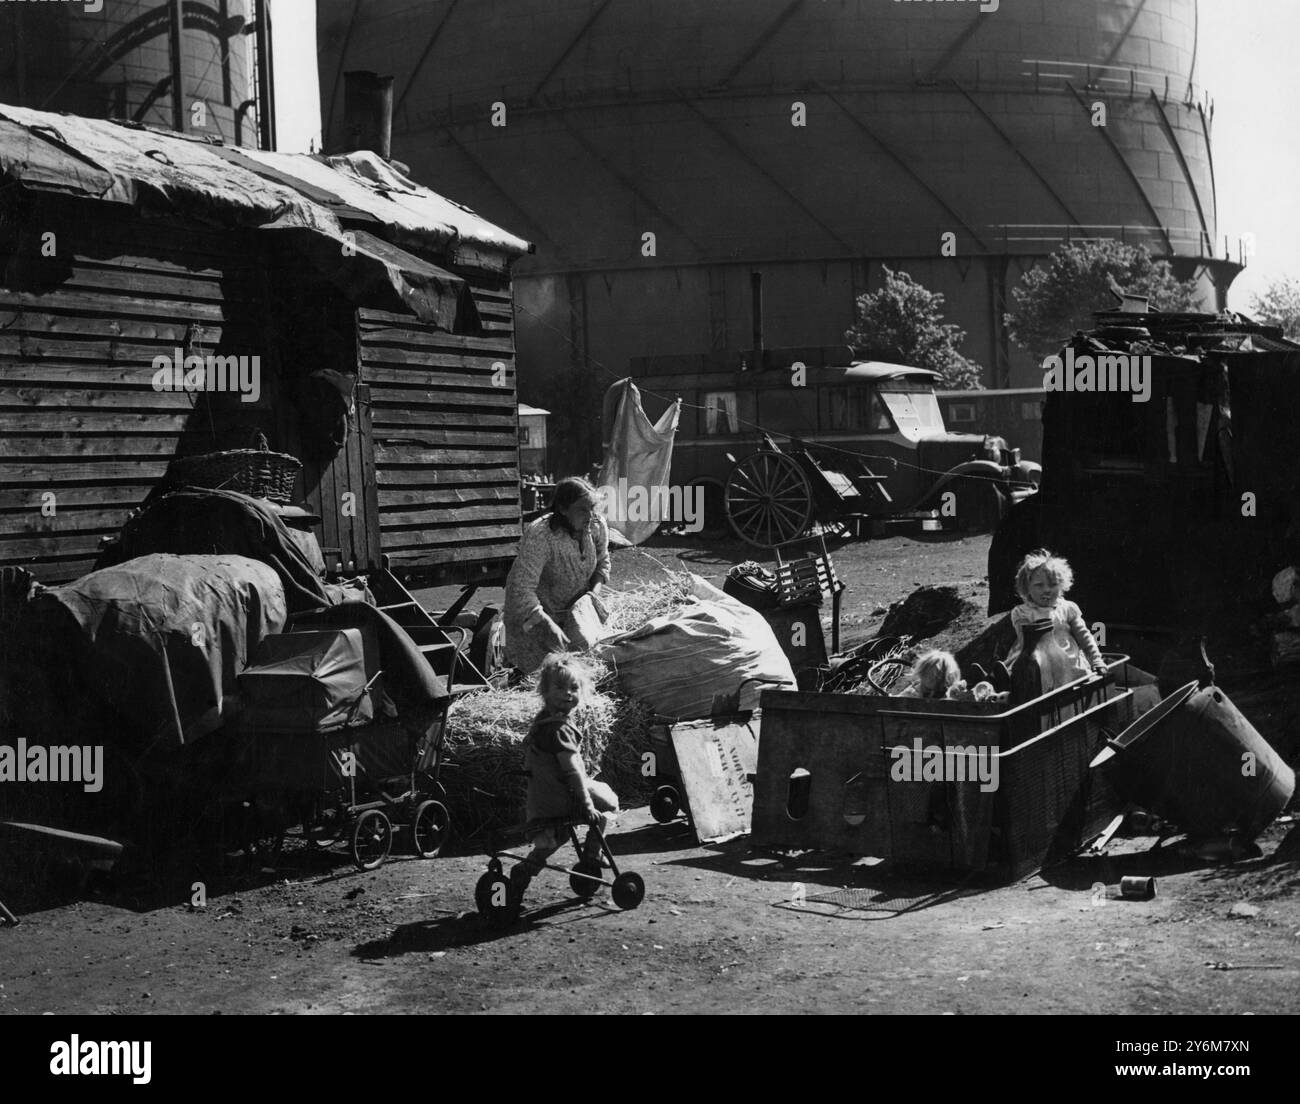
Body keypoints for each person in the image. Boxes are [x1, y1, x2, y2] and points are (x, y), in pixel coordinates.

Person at [508, 654, 619, 903]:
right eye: (560, 687)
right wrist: (587, 805)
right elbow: (572, 771)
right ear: (545, 691)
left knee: (555, 839)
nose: (568, 693)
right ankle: (592, 853)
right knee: (608, 804)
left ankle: (525, 870)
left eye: (574, 688)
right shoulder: (559, 730)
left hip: (544, 794)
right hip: (560, 793)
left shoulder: (543, 721)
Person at [504, 476, 611, 675]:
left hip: (578, 616)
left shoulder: (596, 525)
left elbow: (603, 562)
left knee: (586, 673)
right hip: (540, 620)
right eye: (582, 509)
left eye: (592, 508)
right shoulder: (542, 535)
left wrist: (591, 598)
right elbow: (520, 588)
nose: (590, 515)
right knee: (548, 681)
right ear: (562, 509)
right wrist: (547, 624)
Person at [1004, 548, 1106, 691]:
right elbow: (1026, 641)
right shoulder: (1022, 613)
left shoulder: (1067, 608)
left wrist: (1095, 658)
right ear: (1026, 588)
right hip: (1036, 657)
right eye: (1039, 585)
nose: (1047, 590)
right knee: (1020, 670)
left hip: (1067, 660)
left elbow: (1084, 635)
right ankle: (1001, 683)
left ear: (1061, 585)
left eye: (1053, 585)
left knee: (1071, 669)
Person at [897, 650, 961, 698]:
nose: (937, 681)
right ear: (922, 674)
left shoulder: (950, 693)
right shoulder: (911, 694)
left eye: (941, 679)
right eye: (932, 677)